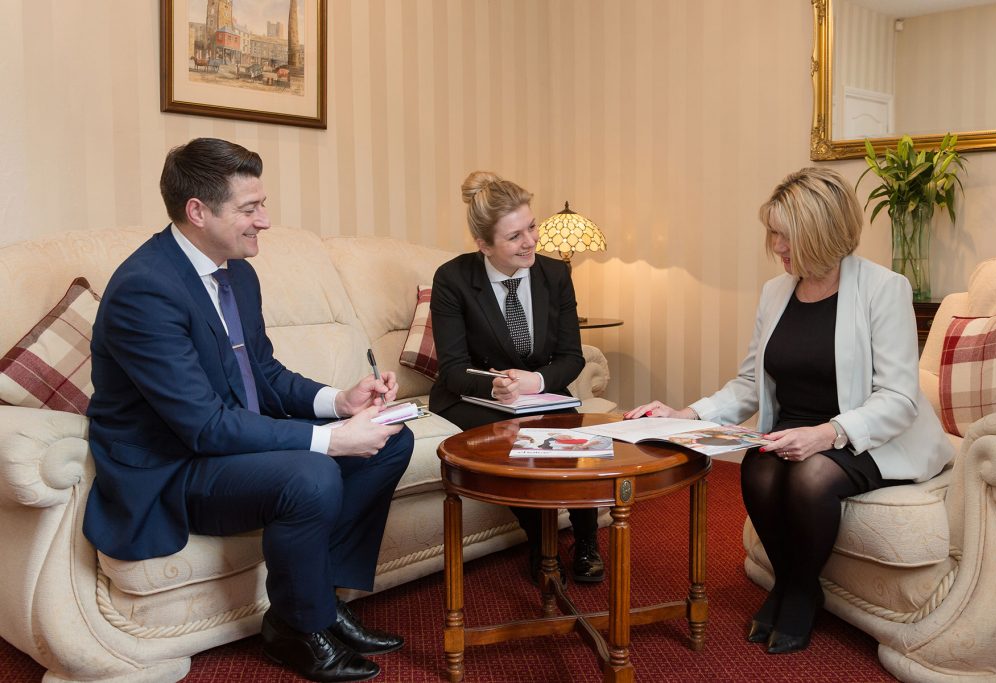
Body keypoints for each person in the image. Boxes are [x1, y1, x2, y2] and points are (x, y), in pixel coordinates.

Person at [84, 138, 414, 682]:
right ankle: (295, 627)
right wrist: (331, 440)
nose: (264, 220)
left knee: (389, 436)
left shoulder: (235, 271)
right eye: (249, 207)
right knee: (310, 473)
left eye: (262, 204)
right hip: (171, 467)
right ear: (198, 211)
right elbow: (203, 425)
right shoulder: (145, 289)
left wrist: (340, 402)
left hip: (220, 444)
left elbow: (261, 373)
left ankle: (326, 603)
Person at [626, 167, 953, 654]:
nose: (775, 245)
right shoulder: (775, 292)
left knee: (809, 477)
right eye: (773, 233)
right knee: (758, 467)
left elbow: (900, 398)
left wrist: (827, 434)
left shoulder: (884, 289)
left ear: (820, 233)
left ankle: (798, 592)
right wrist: (686, 414)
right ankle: (792, 581)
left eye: (785, 235)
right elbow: (748, 384)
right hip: (795, 429)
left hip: (870, 433)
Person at [429, 171, 605, 585]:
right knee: (516, 440)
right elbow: (452, 368)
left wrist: (537, 383)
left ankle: (586, 541)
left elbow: (571, 356)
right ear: (483, 245)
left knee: (572, 433)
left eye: (531, 227)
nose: (530, 241)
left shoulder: (554, 274)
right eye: (514, 236)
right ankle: (542, 545)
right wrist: (492, 384)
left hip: (539, 392)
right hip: (471, 396)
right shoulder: (453, 279)